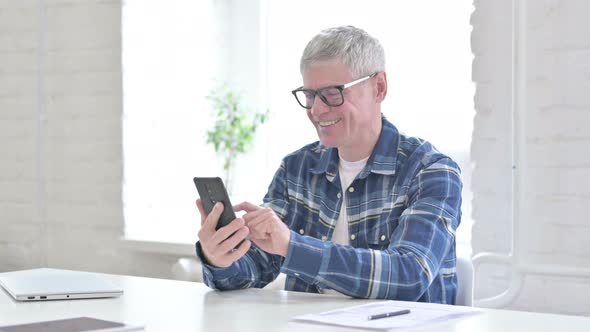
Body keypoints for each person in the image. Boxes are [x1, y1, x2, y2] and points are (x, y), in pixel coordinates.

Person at [195, 25, 462, 304]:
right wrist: (219, 257)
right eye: (310, 95)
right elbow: (254, 269)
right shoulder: (296, 169)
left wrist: (292, 245)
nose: (316, 110)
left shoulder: (431, 171)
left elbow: (409, 276)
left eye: (332, 94)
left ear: (379, 87)